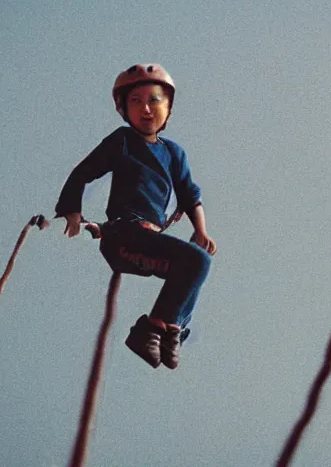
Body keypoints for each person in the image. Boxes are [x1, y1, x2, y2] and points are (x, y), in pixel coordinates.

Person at [54, 64, 216, 370]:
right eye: (135, 101)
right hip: (125, 235)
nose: (146, 109)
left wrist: (201, 230)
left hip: (151, 238)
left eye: (154, 100)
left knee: (196, 265)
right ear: (123, 110)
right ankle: (152, 329)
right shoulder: (123, 141)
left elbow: (191, 195)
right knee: (196, 261)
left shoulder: (173, 153)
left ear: (168, 108)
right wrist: (72, 211)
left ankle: (171, 331)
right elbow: (83, 172)